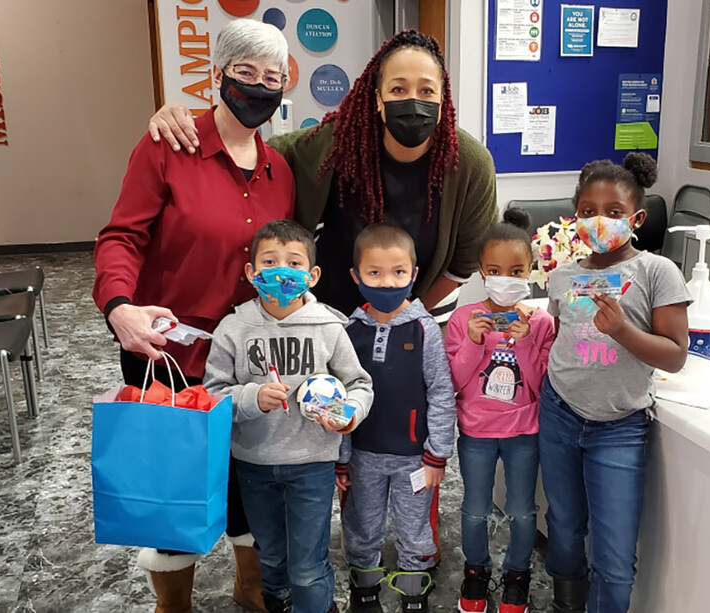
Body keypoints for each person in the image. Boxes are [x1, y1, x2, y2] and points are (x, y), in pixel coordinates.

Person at [91, 19, 295, 613]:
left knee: (249, 477)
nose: (260, 87)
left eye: (273, 77)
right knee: (169, 483)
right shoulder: (167, 146)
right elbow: (120, 238)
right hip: (166, 356)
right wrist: (119, 309)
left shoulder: (279, 169)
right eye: (246, 73)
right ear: (218, 75)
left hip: (250, 360)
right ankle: (172, 601)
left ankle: (249, 584)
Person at [147, 30, 498, 316]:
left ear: (442, 99)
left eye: (426, 90)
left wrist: (405, 314)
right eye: (398, 89)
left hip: (419, 312)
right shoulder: (338, 142)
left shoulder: (469, 165)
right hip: (326, 314)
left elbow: (463, 263)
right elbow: (251, 147)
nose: (412, 100)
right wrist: (188, 120)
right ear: (377, 99)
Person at [538, 154, 691, 612]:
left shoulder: (656, 272)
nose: (599, 221)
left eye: (613, 212)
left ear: (636, 218)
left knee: (615, 553)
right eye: (587, 211)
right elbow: (559, 333)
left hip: (620, 425)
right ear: (575, 217)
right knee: (563, 525)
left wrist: (623, 330)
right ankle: (567, 601)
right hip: (560, 411)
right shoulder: (564, 275)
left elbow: (676, 355)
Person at [205, 220, 374, 613]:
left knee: (307, 565)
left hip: (312, 464)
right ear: (251, 272)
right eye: (269, 261)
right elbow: (212, 395)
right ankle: (277, 601)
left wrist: (348, 415)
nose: (282, 270)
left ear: (312, 276)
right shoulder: (233, 329)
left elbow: (359, 384)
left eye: (294, 263)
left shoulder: (330, 327)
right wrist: (251, 397)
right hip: (254, 463)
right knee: (270, 557)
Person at [336, 225, 456, 613]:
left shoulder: (424, 329)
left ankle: (413, 589)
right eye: (374, 273)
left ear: (414, 274)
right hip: (363, 455)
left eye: (398, 272)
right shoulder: (347, 331)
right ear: (356, 276)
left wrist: (437, 453)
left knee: (414, 525)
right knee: (362, 524)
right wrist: (341, 457)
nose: (387, 282)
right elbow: (338, 399)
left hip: (414, 458)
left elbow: (440, 392)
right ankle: (365, 589)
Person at [444, 208, 555, 613]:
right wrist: (473, 342)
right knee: (474, 509)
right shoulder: (461, 319)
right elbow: (453, 382)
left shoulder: (541, 322)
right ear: (480, 271)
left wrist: (525, 342)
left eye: (516, 271)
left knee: (523, 511)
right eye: (495, 270)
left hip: (524, 432)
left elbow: (541, 383)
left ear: (530, 271)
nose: (505, 280)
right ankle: (476, 572)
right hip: (475, 432)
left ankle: (517, 574)